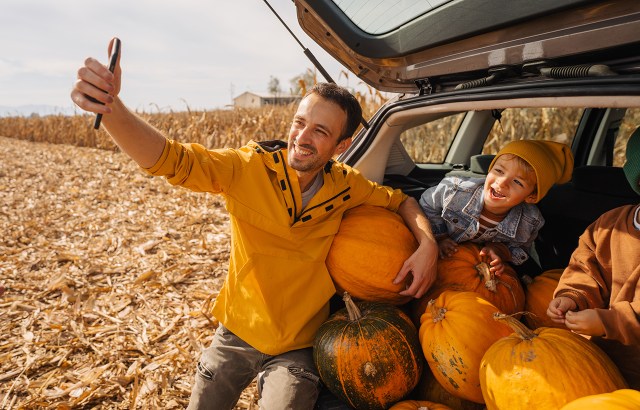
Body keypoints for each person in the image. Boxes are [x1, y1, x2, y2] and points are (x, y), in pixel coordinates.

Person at [70, 38, 439, 409]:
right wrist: (112, 109)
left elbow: (403, 201)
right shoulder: (249, 167)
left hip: (299, 345)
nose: (302, 138)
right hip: (237, 330)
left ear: (341, 146)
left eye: (320, 132)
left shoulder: (347, 186)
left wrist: (428, 246)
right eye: (300, 123)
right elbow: (173, 161)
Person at [547, 126, 640, 389]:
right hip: (605, 361)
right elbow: (585, 268)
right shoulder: (609, 225)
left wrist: (606, 321)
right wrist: (572, 297)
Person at [419, 139, 574, 275]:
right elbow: (427, 204)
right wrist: (440, 237)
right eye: (499, 171)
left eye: (518, 182)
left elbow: (520, 250)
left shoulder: (530, 221)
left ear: (531, 196)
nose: (502, 182)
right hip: (435, 257)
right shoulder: (456, 190)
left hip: (474, 270)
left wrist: (500, 251)